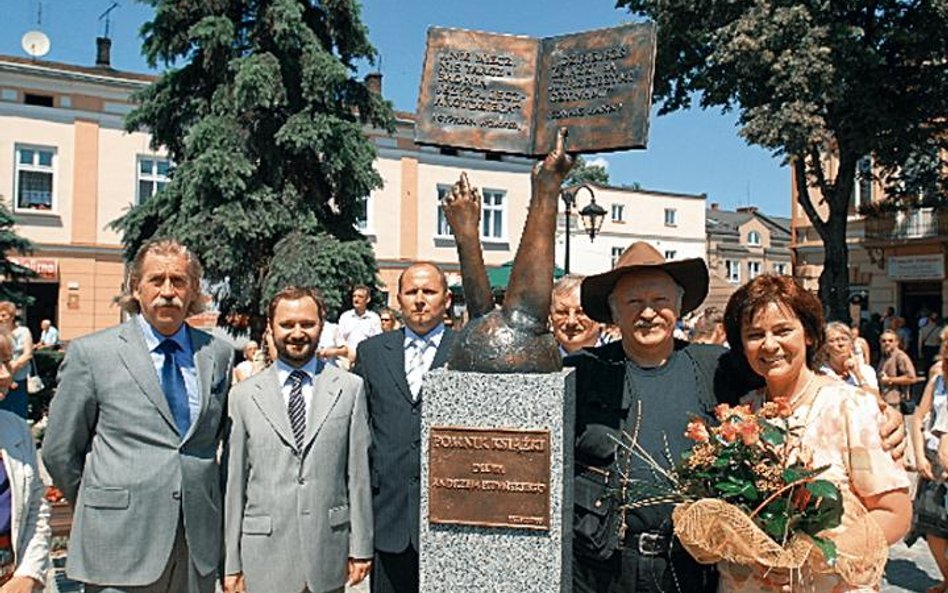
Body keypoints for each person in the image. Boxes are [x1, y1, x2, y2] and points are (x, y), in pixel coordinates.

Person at [567, 242, 906, 593]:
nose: (648, 313)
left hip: (688, 570)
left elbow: (788, 373)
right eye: (634, 303)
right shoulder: (581, 371)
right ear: (614, 312)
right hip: (602, 568)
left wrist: (877, 408)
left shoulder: (716, 367)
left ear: (679, 306)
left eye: (660, 301)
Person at [42, 238, 235, 593]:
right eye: (156, 280)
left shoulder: (218, 354)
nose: (167, 292)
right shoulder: (93, 354)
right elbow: (58, 450)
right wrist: (102, 503)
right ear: (136, 287)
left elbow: (212, 442)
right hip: (118, 545)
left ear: (193, 290)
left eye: (178, 281)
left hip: (194, 548)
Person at [720, 274, 911, 592]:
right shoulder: (740, 414)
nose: (769, 344)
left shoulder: (850, 408)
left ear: (808, 334)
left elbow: (894, 512)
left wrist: (814, 557)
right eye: (755, 334)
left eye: (783, 330)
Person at [223, 286, 371, 593]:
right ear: (271, 328)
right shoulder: (243, 396)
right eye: (287, 324)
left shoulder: (349, 389)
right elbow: (234, 484)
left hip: (327, 549)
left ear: (322, 326)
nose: (297, 332)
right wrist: (231, 563)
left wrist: (361, 546)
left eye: (307, 323)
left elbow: (357, 476)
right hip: (263, 554)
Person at [353, 262, 456, 593]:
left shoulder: (468, 351)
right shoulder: (370, 353)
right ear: (398, 298)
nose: (420, 300)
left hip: (450, 515)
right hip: (389, 514)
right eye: (411, 292)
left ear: (447, 299)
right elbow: (360, 428)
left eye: (429, 291)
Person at [0, 332, 54, 592]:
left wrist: (28, 576)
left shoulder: (16, 429)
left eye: (6, 362)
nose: (4, 375)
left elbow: (36, 508)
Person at [909, 335, 948, 593]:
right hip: (934, 465)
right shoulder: (938, 382)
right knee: (932, 527)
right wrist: (920, 457)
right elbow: (917, 417)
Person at [820, 322, 879, 398]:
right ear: (826, 348)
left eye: (844, 339)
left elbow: (879, 403)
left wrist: (858, 374)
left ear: (851, 345)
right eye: (833, 340)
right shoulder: (821, 374)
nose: (840, 344)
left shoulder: (866, 371)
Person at [550, 275, 602, 356]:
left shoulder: (620, 363)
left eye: (580, 312)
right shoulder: (536, 365)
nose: (571, 321)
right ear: (551, 317)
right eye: (562, 313)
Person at [0, 304, 32, 419]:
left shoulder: (23, 331)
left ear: (12, 316)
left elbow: (28, 354)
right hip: (2, 381)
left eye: (4, 315)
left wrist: (11, 369)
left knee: (17, 414)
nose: (1, 318)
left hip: (18, 378)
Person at [338, 285, 382, 364]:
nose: (356, 299)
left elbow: (378, 341)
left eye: (360, 296)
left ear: (368, 299)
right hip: (347, 361)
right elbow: (339, 339)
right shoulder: (345, 317)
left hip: (366, 360)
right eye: (354, 296)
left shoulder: (374, 318)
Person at [877, 329, 917, 409]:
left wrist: (889, 379)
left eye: (890, 341)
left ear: (896, 342)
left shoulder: (900, 357)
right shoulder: (885, 356)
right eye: (884, 341)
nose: (887, 343)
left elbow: (912, 378)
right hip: (884, 400)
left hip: (896, 402)